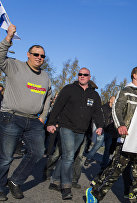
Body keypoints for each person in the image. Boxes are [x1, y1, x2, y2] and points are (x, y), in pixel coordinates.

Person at [0, 24, 52, 201]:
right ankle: (0, 188)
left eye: (42, 55)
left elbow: (48, 97)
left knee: (38, 152)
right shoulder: (14, 66)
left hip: (34, 122)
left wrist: (43, 117)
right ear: (28, 55)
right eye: (36, 54)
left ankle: (15, 181)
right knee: (6, 158)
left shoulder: (45, 76)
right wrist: (8, 38)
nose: (39, 57)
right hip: (11, 117)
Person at [86, 66, 137, 203]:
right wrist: (120, 125)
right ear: (135, 75)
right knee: (115, 171)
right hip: (126, 140)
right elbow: (117, 109)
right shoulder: (125, 91)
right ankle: (94, 192)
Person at [46, 68, 104, 200]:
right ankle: (66, 187)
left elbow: (97, 113)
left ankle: (54, 180)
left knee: (65, 155)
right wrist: (51, 122)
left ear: (89, 77)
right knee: (69, 156)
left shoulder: (94, 95)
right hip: (66, 127)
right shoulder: (69, 89)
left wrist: (100, 126)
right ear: (78, 76)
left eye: (85, 75)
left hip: (81, 131)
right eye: (80, 74)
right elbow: (57, 106)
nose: (82, 76)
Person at [84, 96, 117, 170]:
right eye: (114, 100)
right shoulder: (104, 108)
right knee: (97, 145)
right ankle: (88, 158)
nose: (115, 101)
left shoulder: (115, 110)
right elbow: (99, 118)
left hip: (110, 132)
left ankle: (104, 165)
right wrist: (100, 126)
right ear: (110, 100)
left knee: (107, 149)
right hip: (103, 130)